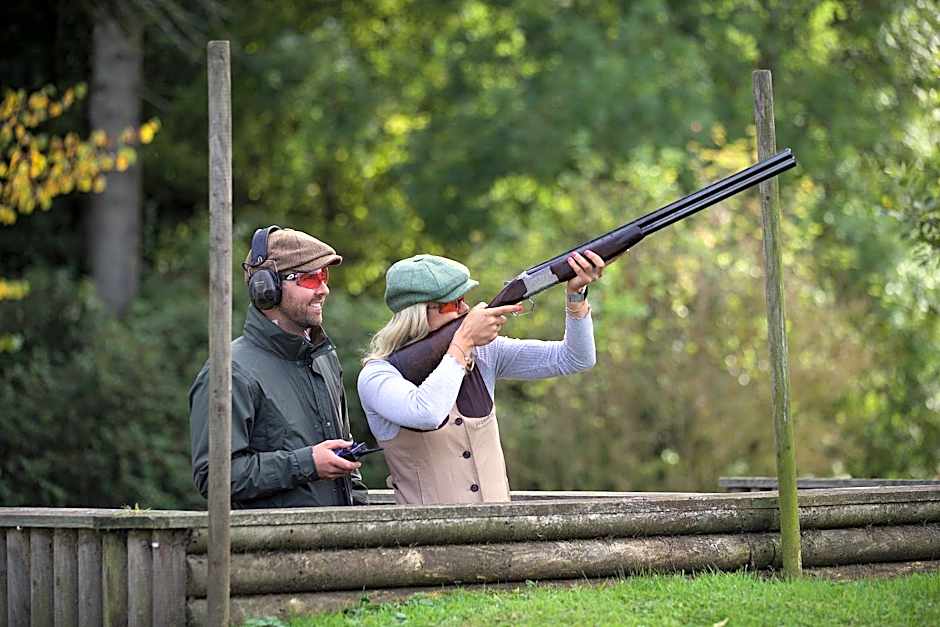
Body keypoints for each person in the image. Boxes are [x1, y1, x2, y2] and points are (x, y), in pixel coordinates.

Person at [357, 251, 604, 505]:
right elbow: (427, 413)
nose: (466, 310)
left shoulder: (484, 352)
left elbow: (575, 358)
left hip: (501, 536)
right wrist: (462, 342)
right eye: (454, 304)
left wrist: (576, 296)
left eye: (464, 300)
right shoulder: (378, 376)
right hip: (426, 542)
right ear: (418, 313)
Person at [189, 226, 368, 508]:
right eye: (310, 278)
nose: (324, 289)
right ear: (267, 288)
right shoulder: (229, 372)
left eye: (324, 276)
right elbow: (214, 477)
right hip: (271, 550)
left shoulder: (324, 359)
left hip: (337, 546)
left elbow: (349, 474)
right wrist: (306, 463)